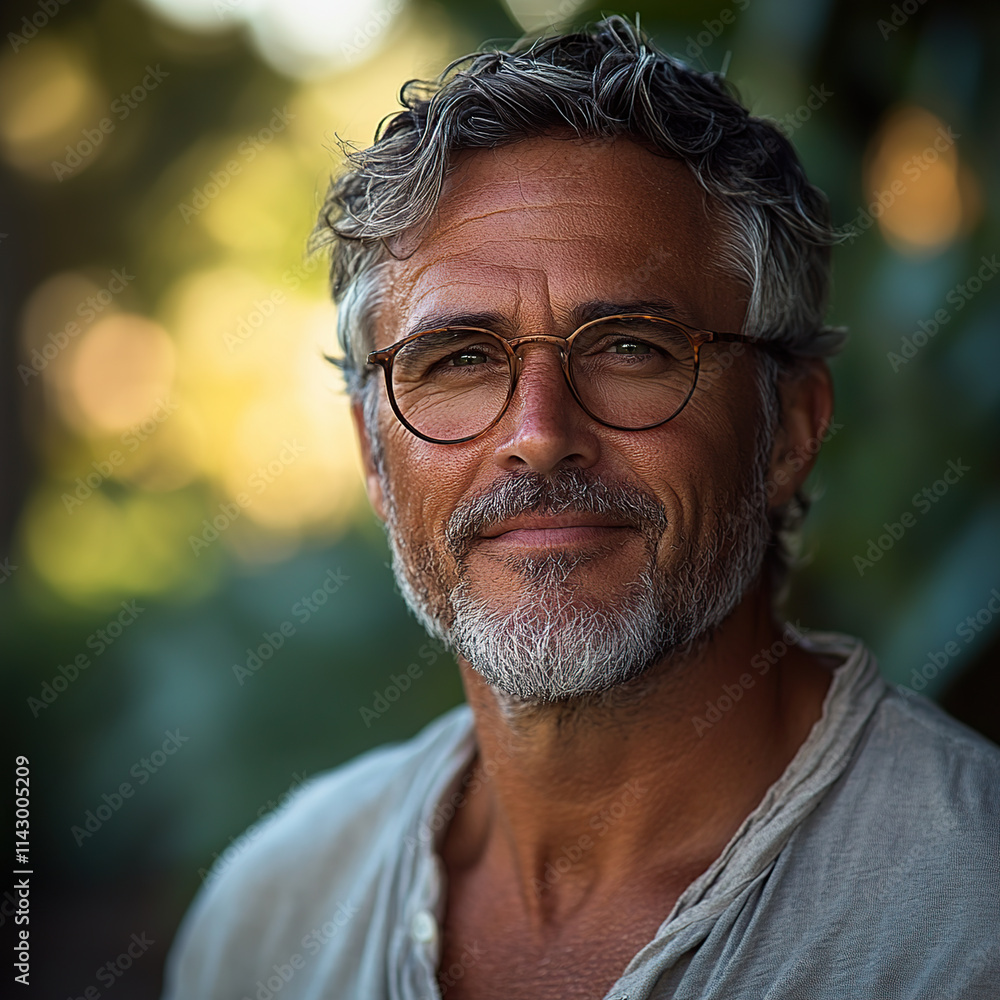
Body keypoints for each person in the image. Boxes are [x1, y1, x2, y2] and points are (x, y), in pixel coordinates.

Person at [162, 16, 999, 999]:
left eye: (630, 345)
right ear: (372, 456)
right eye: (460, 360)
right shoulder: (269, 918)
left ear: (788, 428)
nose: (538, 431)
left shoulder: (966, 920)